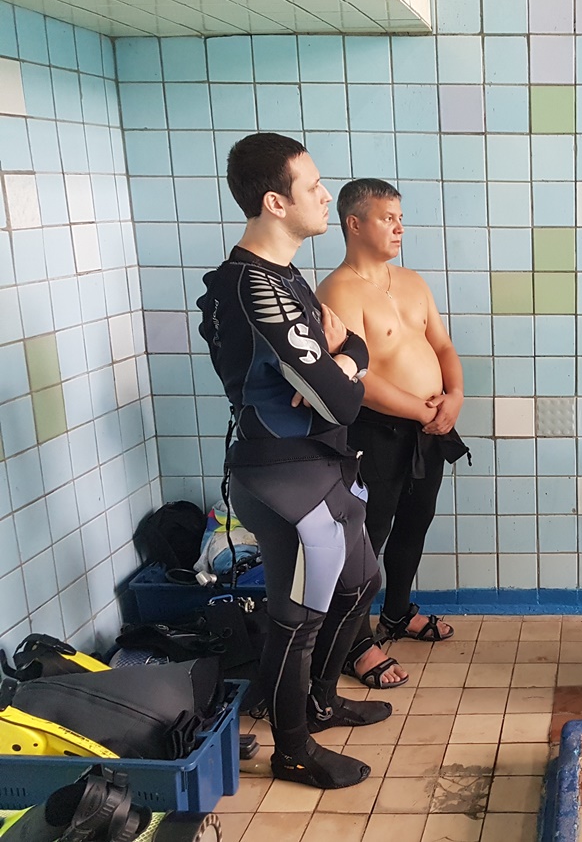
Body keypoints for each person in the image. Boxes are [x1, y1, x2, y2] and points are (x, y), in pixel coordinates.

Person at [196, 133, 390, 789]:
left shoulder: (281, 275)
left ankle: (320, 702)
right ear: (275, 202)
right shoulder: (255, 287)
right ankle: (294, 749)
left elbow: (349, 348)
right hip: (284, 477)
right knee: (296, 621)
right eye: (312, 187)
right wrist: (347, 364)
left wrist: (345, 358)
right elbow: (340, 399)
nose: (325, 195)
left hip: (322, 466)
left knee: (361, 582)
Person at [316, 178, 468, 688]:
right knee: (366, 538)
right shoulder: (337, 291)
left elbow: (443, 345)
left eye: (401, 218)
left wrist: (454, 396)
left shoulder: (412, 282)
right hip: (374, 432)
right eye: (388, 218)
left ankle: (398, 612)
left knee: (414, 523)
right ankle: (355, 644)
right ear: (354, 223)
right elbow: (355, 376)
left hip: (430, 427)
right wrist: (423, 410)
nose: (399, 228)